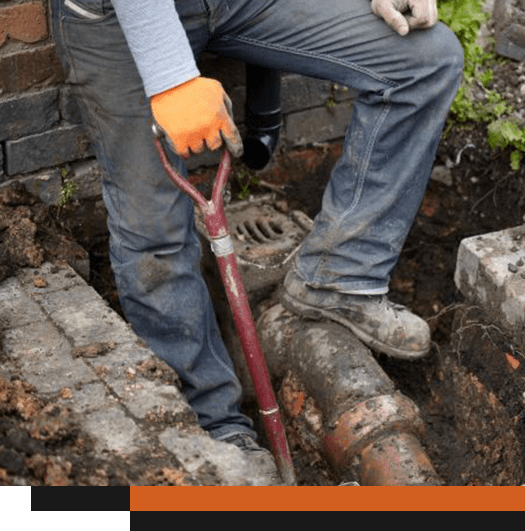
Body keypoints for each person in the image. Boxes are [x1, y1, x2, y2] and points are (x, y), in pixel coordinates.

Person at [51, 0, 463, 466]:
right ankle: (214, 430)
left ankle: (341, 278)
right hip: (119, 15)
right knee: (155, 234)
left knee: (424, 61)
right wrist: (170, 76)